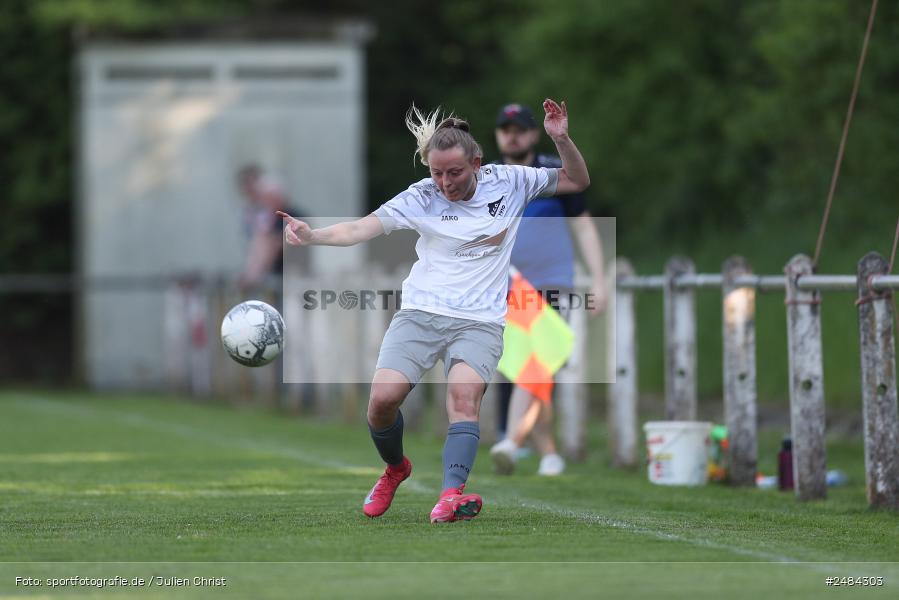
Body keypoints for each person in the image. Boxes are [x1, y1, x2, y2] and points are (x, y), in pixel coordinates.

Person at [280, 98, 590, 523]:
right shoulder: (421, 196)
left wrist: (562, 139)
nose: (444, 182)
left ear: (478, 162)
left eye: (454, 172)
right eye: (436, 172)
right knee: (382, 403)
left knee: (464, 401)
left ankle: (450, 495)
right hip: (420, 314)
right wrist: (312, 235)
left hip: (479, 321)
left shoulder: (511, 181)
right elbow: (359, 228)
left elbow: (577, 180)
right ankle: (395, 468)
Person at [488, 103, 607, 476]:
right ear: (497, 135)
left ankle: (512, 439)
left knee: (539, 360)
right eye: (505, 128)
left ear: (533, 133)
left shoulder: (554, 174)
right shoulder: (487, 180)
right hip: (505, 286)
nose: (512, 134)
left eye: (520, 128)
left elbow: (584, 227)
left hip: (551, 282)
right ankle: (548, 451)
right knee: (528, 366)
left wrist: (599, 279)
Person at [236, 165, 305, 291]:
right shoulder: (271, 218)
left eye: (268, 198)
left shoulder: (292, 216)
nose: (266, 202)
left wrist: (254, 276)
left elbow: (274, 245)